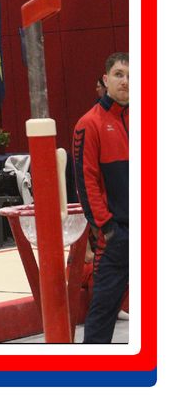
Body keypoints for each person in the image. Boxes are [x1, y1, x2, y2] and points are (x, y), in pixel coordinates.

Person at [73, 52, 129, 344]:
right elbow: (86, 182)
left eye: (131, 76)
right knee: (102, 316)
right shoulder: (89, 123)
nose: (126, 81)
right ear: (106, 79)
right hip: (117, 237)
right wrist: (107, 228)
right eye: (119, 75)